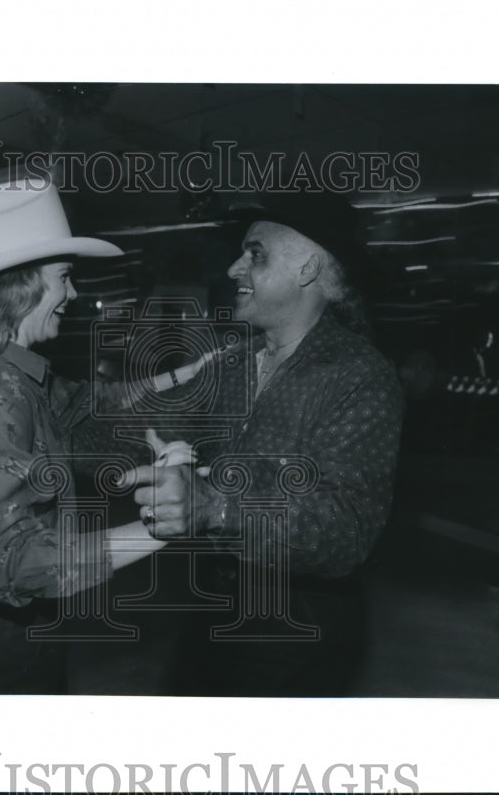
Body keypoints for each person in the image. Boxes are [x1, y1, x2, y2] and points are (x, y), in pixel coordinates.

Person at [0, 177, 206, 694]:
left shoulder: (15, 374)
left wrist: (177, 377)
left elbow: (89, 403)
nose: (73, 295)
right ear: (21, 286)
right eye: (64, 278)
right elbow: (10, 562)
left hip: (17, 624)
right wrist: (163, 526)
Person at [123, 198, 405, 696]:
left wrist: (215, 506)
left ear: (307, 268)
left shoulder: (358, 376)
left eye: (255, 255)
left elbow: (345, 529)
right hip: (213, 606)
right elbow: (148, 419)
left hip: (296, 633)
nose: (235, 268)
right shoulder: (234, 362)